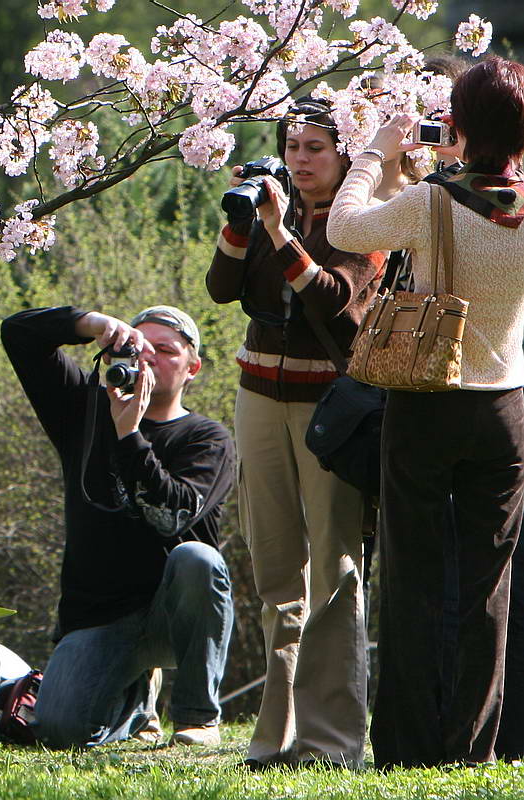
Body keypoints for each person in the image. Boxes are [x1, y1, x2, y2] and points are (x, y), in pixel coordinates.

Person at [327, 57, 524, 769]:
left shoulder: (432, 201)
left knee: (410, 577)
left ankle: (405, 750)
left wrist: (375, 158)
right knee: (485, 588)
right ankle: (470, 748)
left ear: (460, 123)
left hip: (424, 402)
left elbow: (345, 231)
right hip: (505, 408)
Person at [206, 98, 387, 769]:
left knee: (334, 570)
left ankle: (330, 740)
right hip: (257, 395)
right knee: (276, 570)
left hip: (329, 409)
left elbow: (336, 308)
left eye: (316, 147)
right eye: (292, 145)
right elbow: (221, 289)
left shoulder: (361, 218)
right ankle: (273, 738)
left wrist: (282, 236)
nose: (301, 159)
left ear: (345, 155)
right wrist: (240, 223)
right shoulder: (265, 203)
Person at [1, 303, 235, 749]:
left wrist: (129, 436)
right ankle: (132, 704)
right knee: (58, 730)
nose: (149, 358)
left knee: (198, 558)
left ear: (193, 368)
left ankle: (197, 717)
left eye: (165, 350)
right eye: (139, 347)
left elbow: (173, 516)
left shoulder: (208, 439)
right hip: (100, 616)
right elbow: (17, 333)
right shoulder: (83, 413)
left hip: (174, 615)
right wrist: (91, 324)